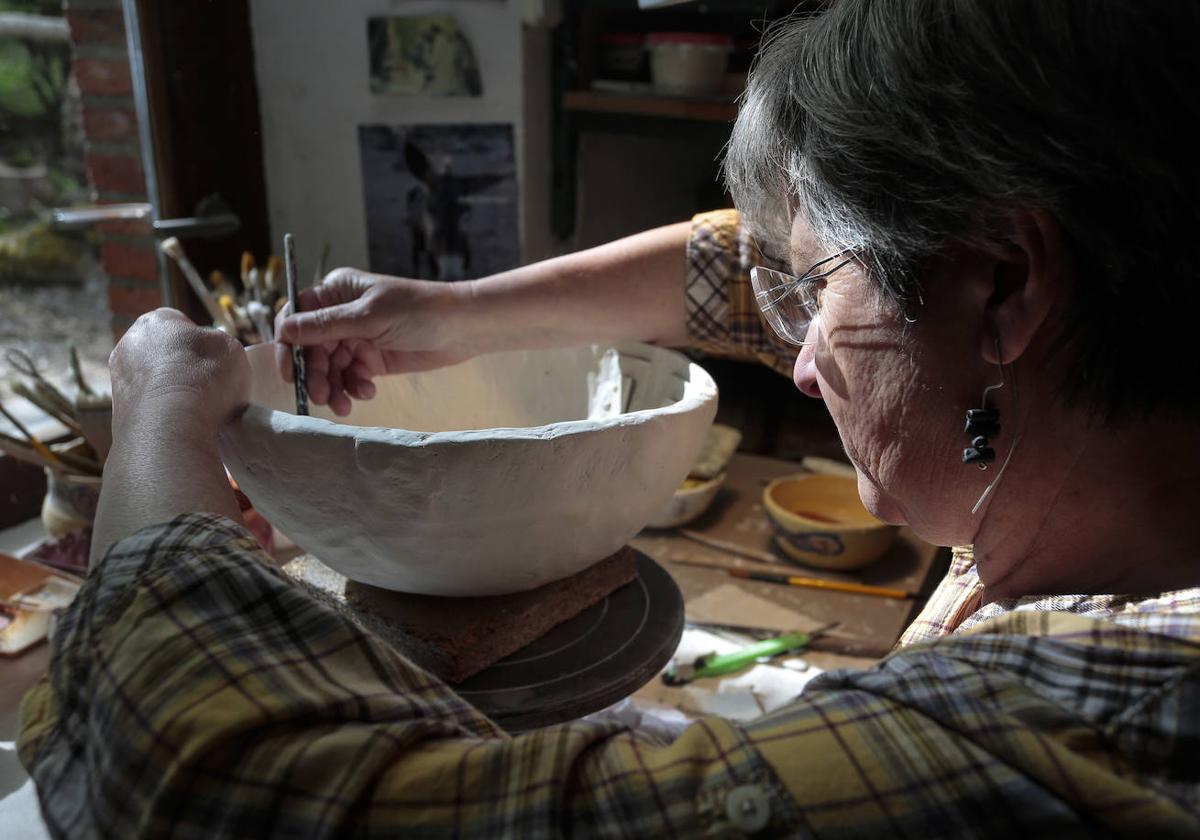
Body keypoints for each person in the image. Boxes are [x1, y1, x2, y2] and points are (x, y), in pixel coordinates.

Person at [19, 0, 1200, 835]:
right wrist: (455, 315)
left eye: (820, 290)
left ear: (1003, 283)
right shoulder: (1118, 465)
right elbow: (756, 269)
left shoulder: (1046, 736)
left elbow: (193, 774)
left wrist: (162, 407)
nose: (793, 357)